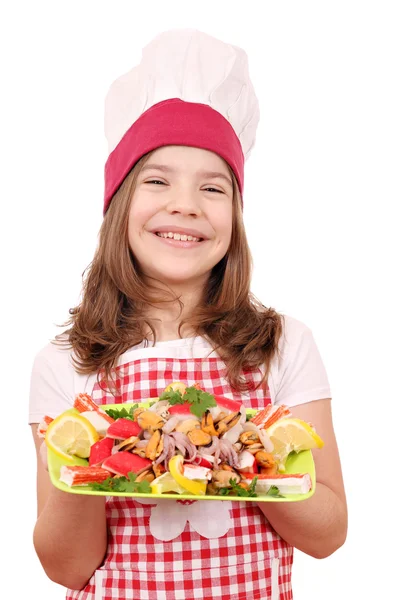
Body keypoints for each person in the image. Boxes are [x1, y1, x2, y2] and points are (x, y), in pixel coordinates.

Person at [29, 28, 347, 600]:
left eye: (213, 188)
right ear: (119, 205)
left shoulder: (283, 344)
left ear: (236, 217)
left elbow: (328, 534)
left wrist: (242, 452)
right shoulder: (67, 362)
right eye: (157, 180)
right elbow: (67, 568)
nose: (185, 204)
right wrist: (93, 456)